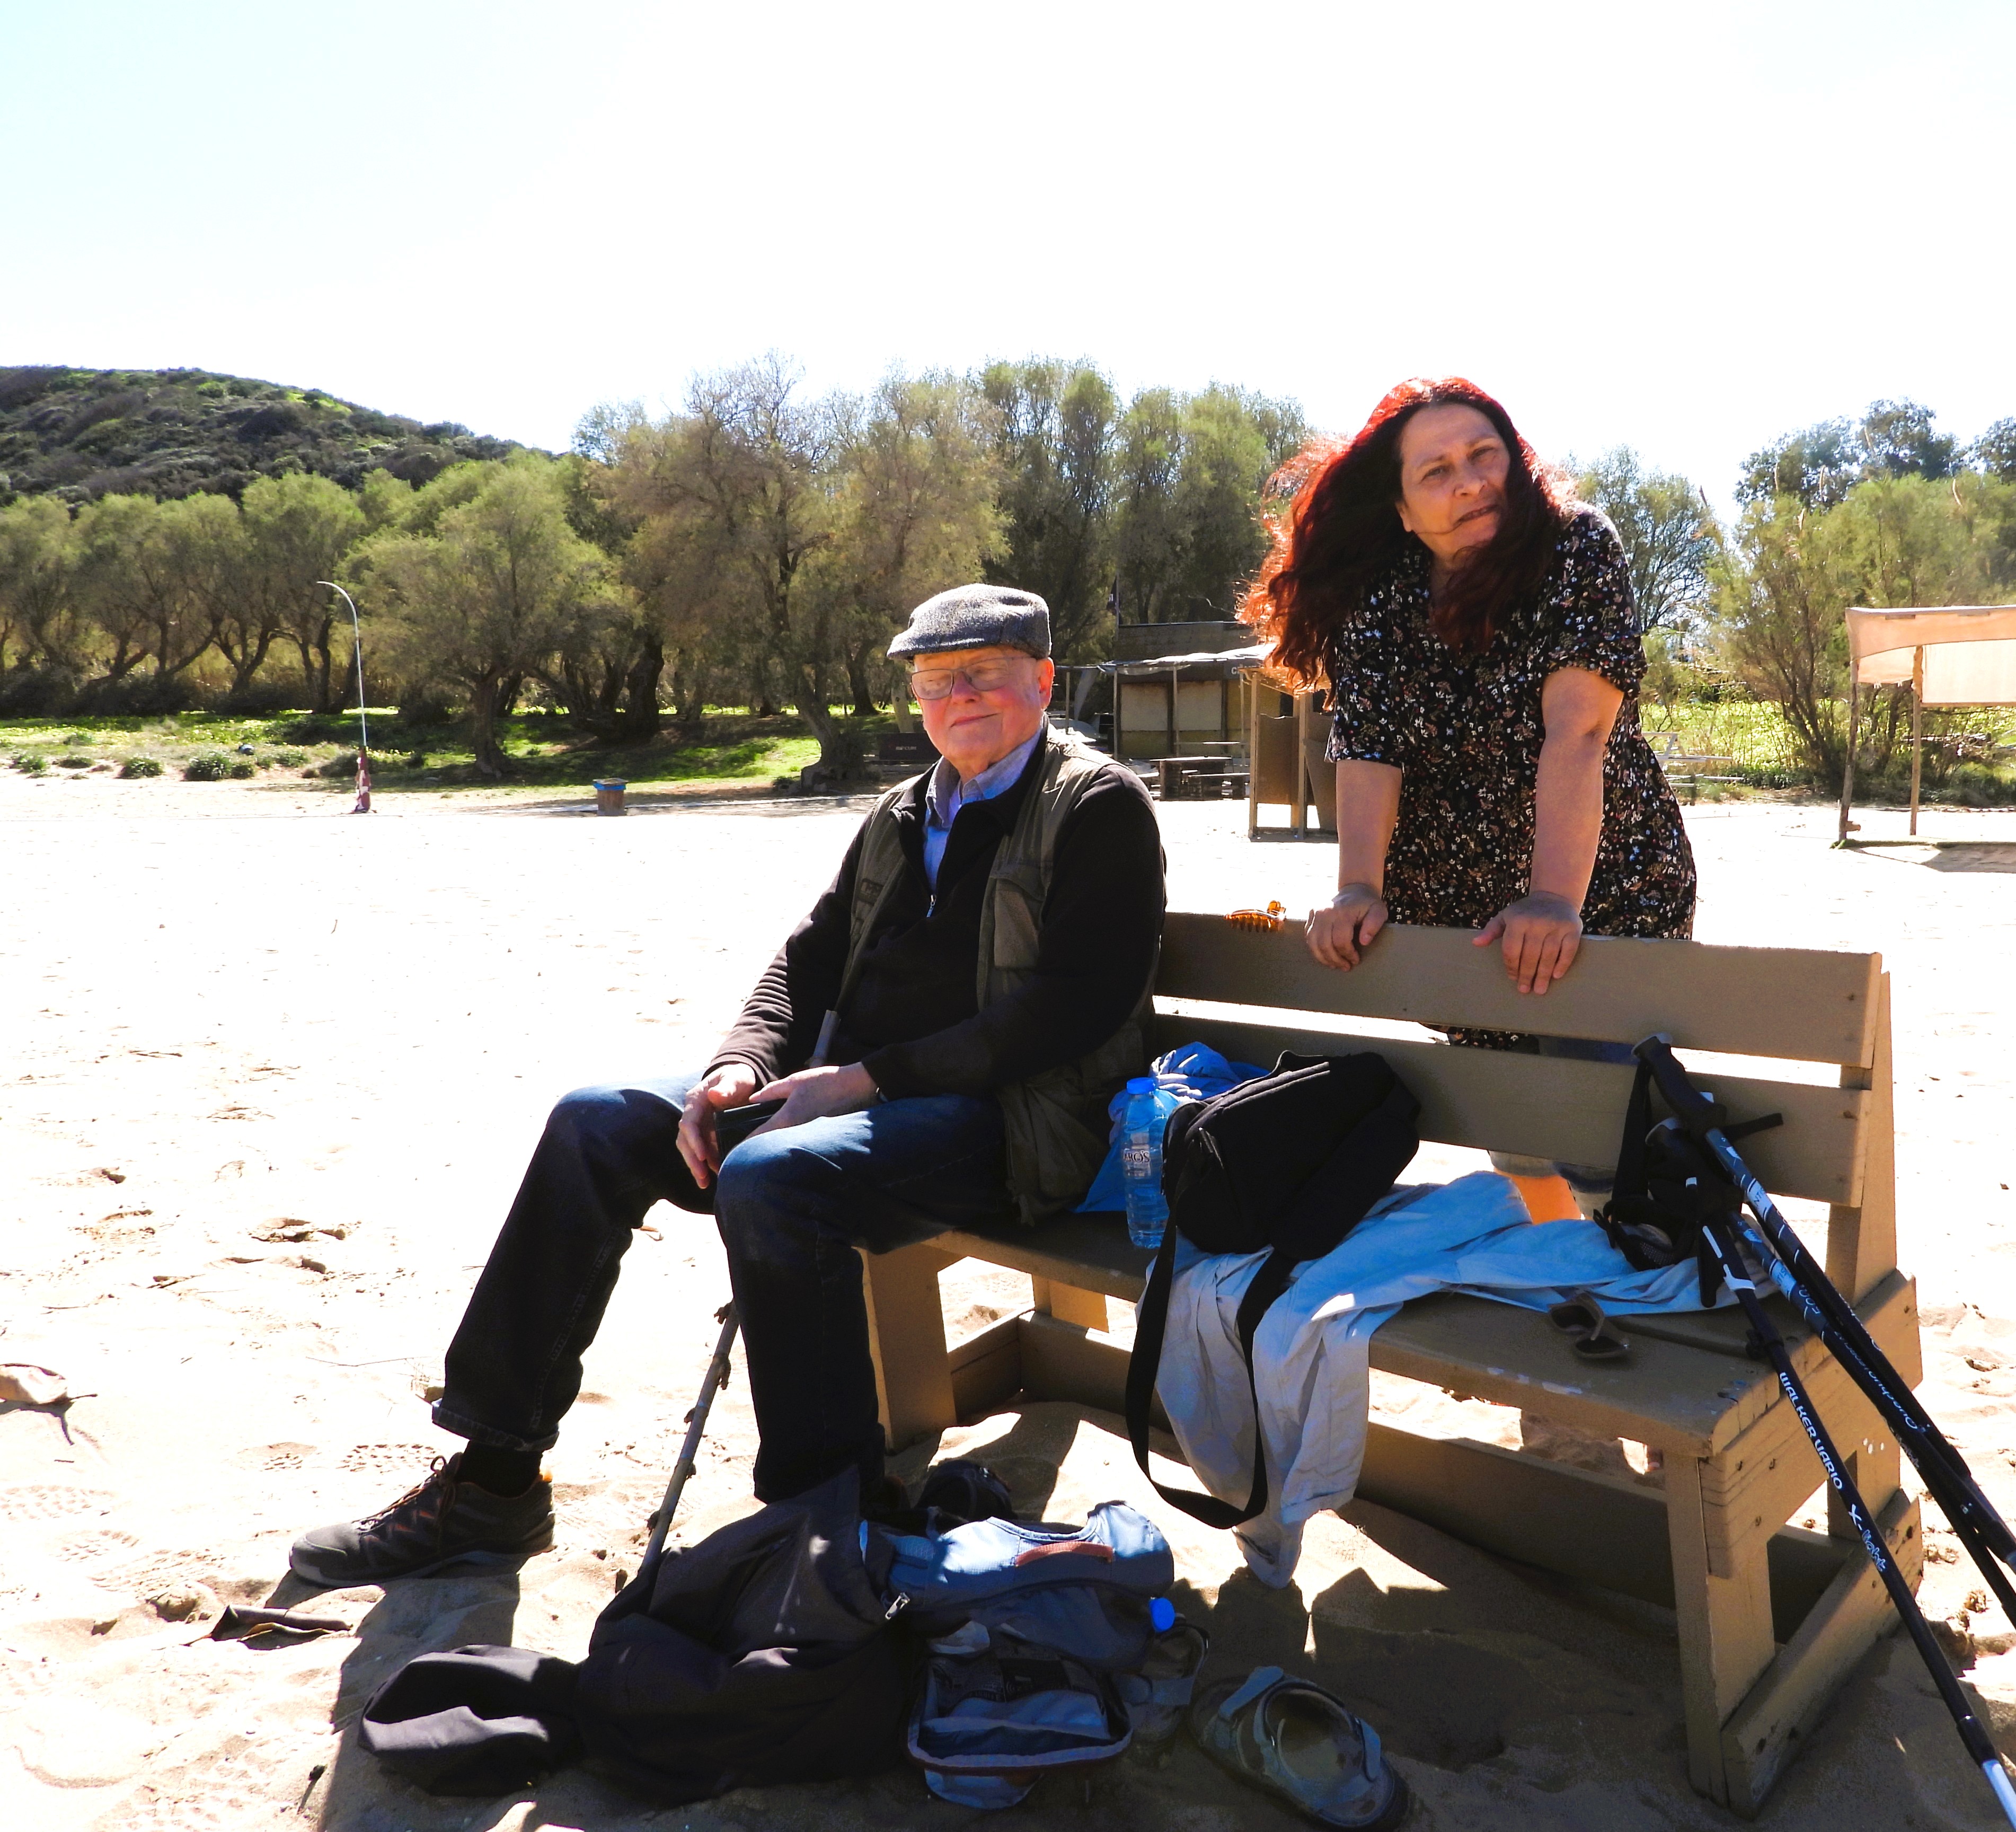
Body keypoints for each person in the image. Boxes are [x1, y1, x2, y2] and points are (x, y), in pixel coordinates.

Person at [289, 586, 1165, 1587]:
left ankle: (823, 1520)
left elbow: (1074, 1008)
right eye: (935, 680)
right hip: (851, 1097)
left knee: (776, 1179)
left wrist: (866, 1080)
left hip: (1012, 1121)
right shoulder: (903, 810)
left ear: (1042, 682)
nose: (958, 696)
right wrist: (737, 1065)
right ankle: (494, 1482)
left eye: (984, 674)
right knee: (596, 1122)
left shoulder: (1094, 805)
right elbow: (808, 960)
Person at [1242, 377, 1695, 1210]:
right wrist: (1356, 888)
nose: (1470, 482)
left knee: (1607, 1143)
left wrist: (1553, 901)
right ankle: (1554, 1264)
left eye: (1485, 455)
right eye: (1437, 471)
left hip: (1602, 898)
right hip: (1466, 922)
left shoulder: (1574, 549)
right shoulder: (1383, 599)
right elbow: (1370, 748)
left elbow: (1579, 730)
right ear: (1403, 512)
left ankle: (1644, 1266)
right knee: (1518, 1136)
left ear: (1515, 464)